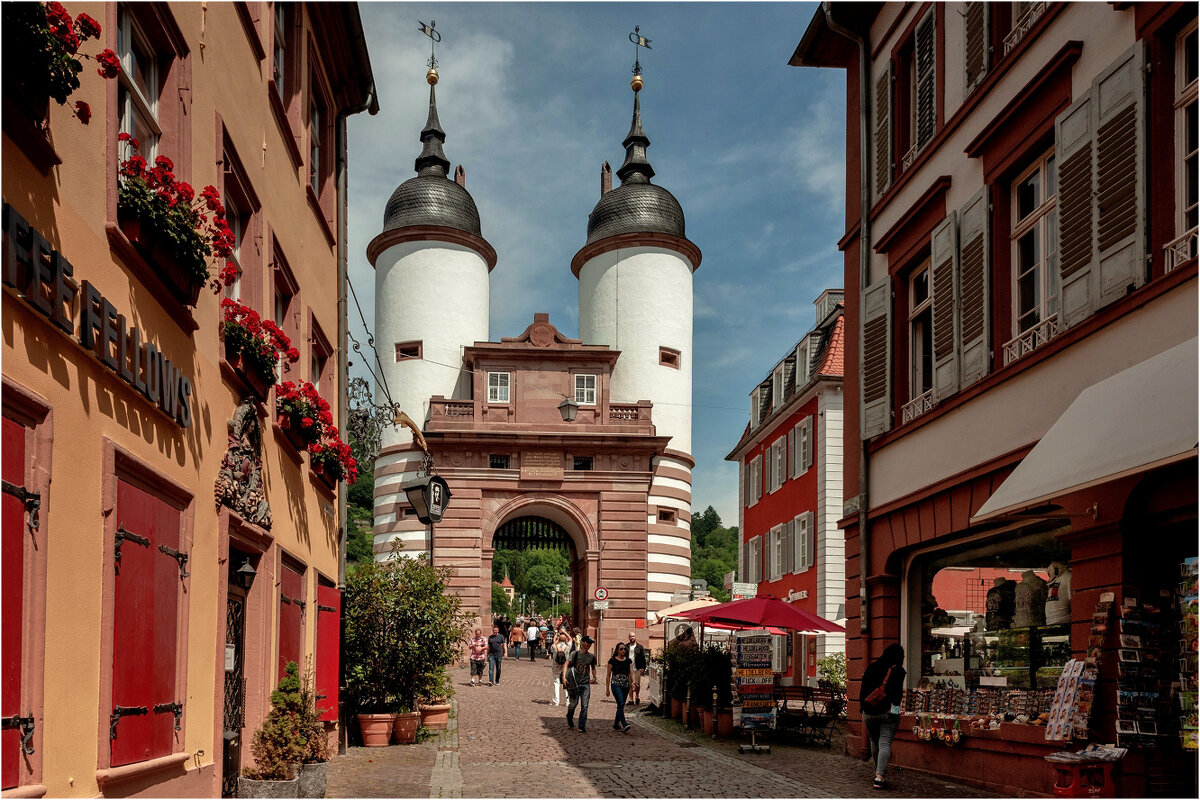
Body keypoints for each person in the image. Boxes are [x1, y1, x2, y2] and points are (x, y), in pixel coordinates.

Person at [859, 643, 906, 790]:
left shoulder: (871, 667)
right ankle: (879, 777)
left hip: (868, 712)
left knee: (874, 740)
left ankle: (877, 773)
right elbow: (897, 695)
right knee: (885, 743)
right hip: (886, 712)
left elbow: (862, 692)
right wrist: (895, 711)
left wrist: (864, 709)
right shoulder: (898, 670)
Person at [563, 635, 597, 732]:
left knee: (585, 706)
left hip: (585, 684)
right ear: (582, 642)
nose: (589, 644)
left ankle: (581, 726)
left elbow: (593, 668)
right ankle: (569, 717)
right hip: (574, 683)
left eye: (590, 643)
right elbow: (566, 664)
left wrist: (594, 677)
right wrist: (564, 677)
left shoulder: (591, 656)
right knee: (573, 705)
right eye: (587, 642)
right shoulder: (575, 654)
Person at [605, 642, 633, 733]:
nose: (623, 650)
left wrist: (632, 683)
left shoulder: (628, 661)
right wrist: (607, 688)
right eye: (621, 649)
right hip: (616, 684)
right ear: (617, 650)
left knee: (621, 705)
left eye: (624, 649)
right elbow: (608, 675)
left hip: (625, 685)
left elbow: (630, 673)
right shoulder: (612, 661)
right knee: (620, 703)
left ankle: (616, 724)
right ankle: (624, 724)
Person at [550, 629, 573, 706]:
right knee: (566, 683)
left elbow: (553, 645)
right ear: (565, 639)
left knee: (556, 683)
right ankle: (567, 702)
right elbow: (571, 639)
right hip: (565, 667)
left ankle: (556, 701)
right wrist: (565, 633)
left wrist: (556, 637)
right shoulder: (567, 646)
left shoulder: (554, 646)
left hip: (555, 666)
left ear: (558, 639)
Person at [627, 632, 647, 706]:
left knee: (637, 684)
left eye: (633, 636)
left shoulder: (640, 647)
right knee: (630, 684)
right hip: (629, 668)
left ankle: (637, 697)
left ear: (635, 637)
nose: (632, 637)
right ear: (628, 637)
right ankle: (631, 700)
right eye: (630, 636)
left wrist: (643, 667)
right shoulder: (626, 646)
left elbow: (643, 658)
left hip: (637, 667)